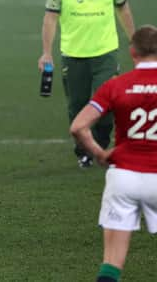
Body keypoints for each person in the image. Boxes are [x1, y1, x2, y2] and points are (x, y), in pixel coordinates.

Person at [38, 0, 135, 168]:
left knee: (107, 105)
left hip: (105, 52)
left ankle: (99, 144)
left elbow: (123, 9)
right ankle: (83, 151)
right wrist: (46, 52)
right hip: (73, 54)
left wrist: (134, 40)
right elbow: (50, 18)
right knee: (77, 105)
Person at [69, 25, 157, 282]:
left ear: (133, 53)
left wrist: (100, 153)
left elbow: (78, 127)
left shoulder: (116, 85)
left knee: (111, 265)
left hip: (123, 177)